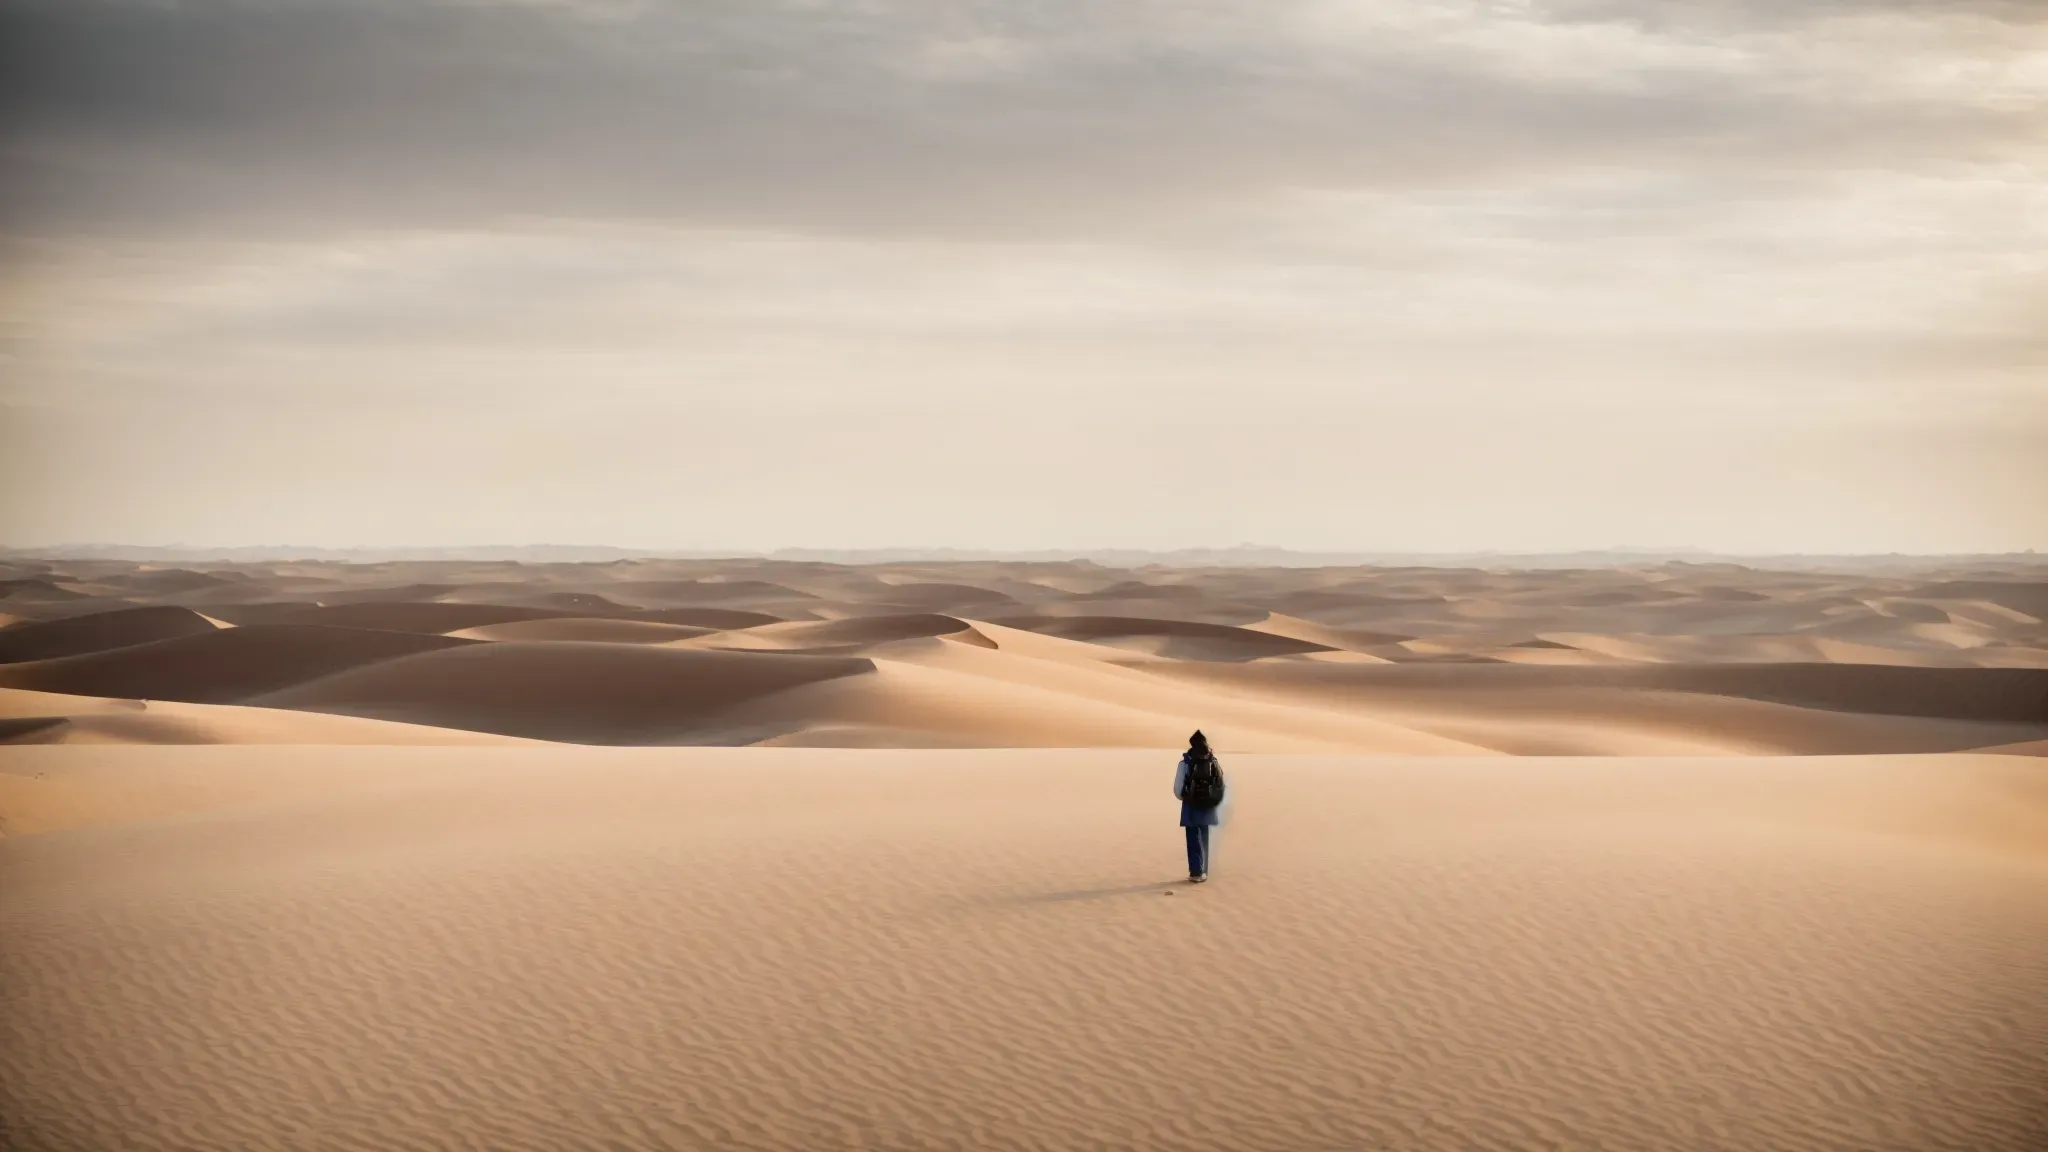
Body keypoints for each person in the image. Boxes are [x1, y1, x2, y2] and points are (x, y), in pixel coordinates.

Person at [1172, 730, 1227, 883]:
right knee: (1204, 838)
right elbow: (1221, 783)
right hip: (1208, 805)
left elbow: (1177, 788)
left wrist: (1187, 798)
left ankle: (1196, 872)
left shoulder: (1185, 763)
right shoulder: (1213, 761)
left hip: (1190, 806)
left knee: (1192, 839)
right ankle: (1204, 871)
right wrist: (1213, 799)